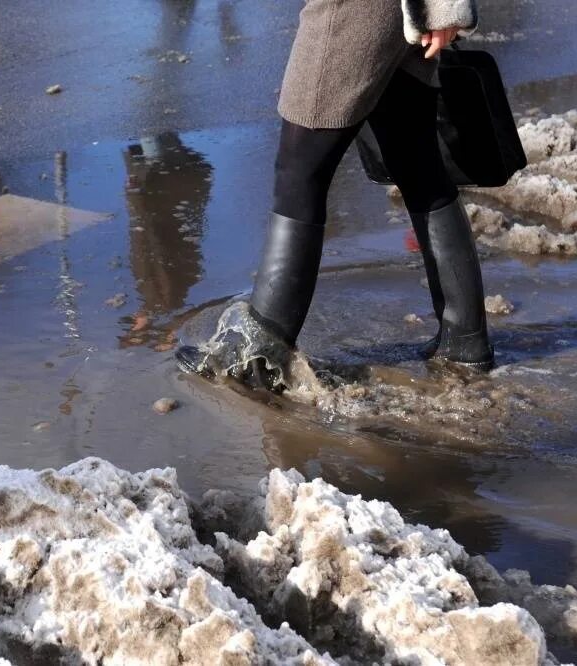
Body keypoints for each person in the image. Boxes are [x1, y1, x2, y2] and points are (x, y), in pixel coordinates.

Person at [178, 0, 493, 390]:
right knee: (418, 164)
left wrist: (445, 9)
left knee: (299, 171)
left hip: (354, 11)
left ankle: (258, 358)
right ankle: (464, 345)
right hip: (399, 14)